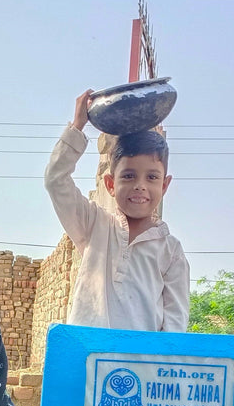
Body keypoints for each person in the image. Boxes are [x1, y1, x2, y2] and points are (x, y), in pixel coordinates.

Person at [44, 89, 190, 332]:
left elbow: (175, 324)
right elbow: (55, 180)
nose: (140, 186)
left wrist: (154, 367)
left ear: (164, 185)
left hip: (138, 365)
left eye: (152, 177)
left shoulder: (171, 250)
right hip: (88, 360)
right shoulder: (94, 225)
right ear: (111, 184)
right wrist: (77, 127)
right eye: (129, 176)